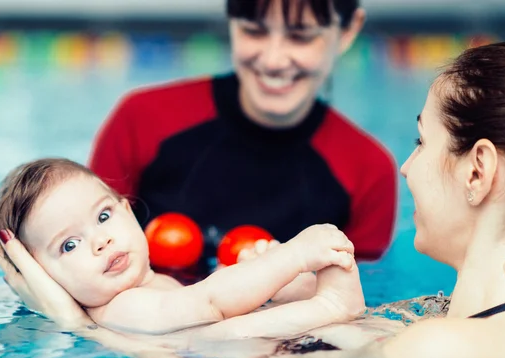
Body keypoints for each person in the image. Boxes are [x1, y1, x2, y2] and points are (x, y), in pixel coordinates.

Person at [0, 42, 505, 358]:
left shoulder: (434, 349)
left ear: (477, 171)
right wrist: (302, 287)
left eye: (420, 142)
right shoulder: (434, 321)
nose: (406, 167)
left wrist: (78, 327)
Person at [88, 0, 397, 273]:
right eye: (254, 31)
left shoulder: (368, 169)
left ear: (347, 30)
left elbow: (359, 306)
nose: (273, 60)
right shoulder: (142, 119)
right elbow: (82, 256)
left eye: (301, 36)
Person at [0, 158, 365, 335]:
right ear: (42, 276)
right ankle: (330, 305)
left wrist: (277, 284)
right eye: (69, 245)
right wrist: (292, 256)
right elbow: (209, 304)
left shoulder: (155, 284)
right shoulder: (119, 308)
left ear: (127, 210)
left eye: (103, 217)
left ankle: (315, 300)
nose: (100, 241)